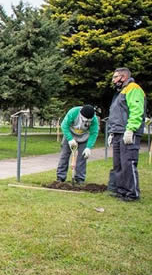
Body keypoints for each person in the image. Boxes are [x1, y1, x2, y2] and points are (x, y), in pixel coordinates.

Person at [107, 67, 146, 202]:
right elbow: (116, 115)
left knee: (128, 163)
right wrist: (112, 132)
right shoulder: (119, 92)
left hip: (128, 133)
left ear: (123, 77)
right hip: (117, 132)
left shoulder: (133, 88)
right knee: (118, 164)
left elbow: (136, 110)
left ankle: (132, 194)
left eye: (115, 77)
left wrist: (131, 129)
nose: (113, 80)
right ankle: (121, 191)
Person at [56, 105, 99, 184]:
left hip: (84, 138)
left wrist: (88, 147)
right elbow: (64, 125)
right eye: (85, 120)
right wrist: (70, 139)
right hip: (70, 135)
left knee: (82, 157)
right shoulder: (73, 112)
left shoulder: (94, 119)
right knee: (64, 155)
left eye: (89, 120)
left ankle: (80, 178)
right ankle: (60, 177)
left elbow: (94, 133)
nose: (87, 122)